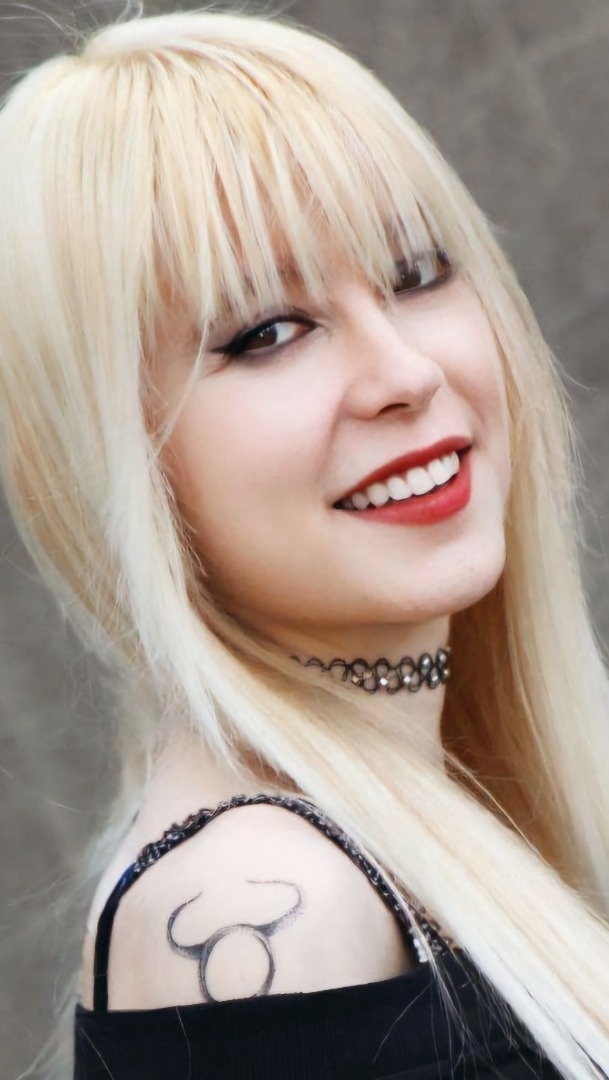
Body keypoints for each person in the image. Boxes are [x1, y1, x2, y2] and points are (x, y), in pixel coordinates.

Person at [0, 8, 608, 1079]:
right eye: (267, 333)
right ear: (112, 463)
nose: (406, 373)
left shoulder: (441, 818)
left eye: (414, 274)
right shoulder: (266, 909)